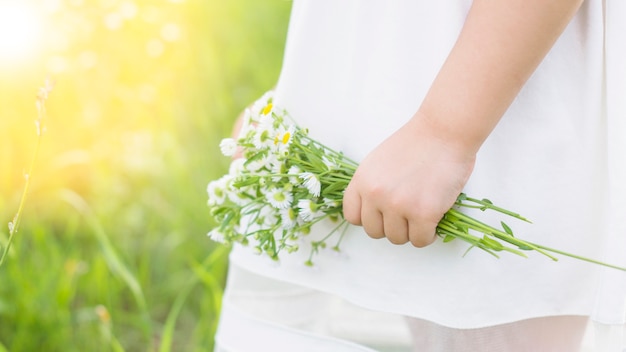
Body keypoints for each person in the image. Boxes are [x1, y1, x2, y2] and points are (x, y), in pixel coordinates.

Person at [214, 1, 626, 351]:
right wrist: (299, 102)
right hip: (379, 100)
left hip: (487, 100)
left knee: (491, 312)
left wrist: (446, 133)